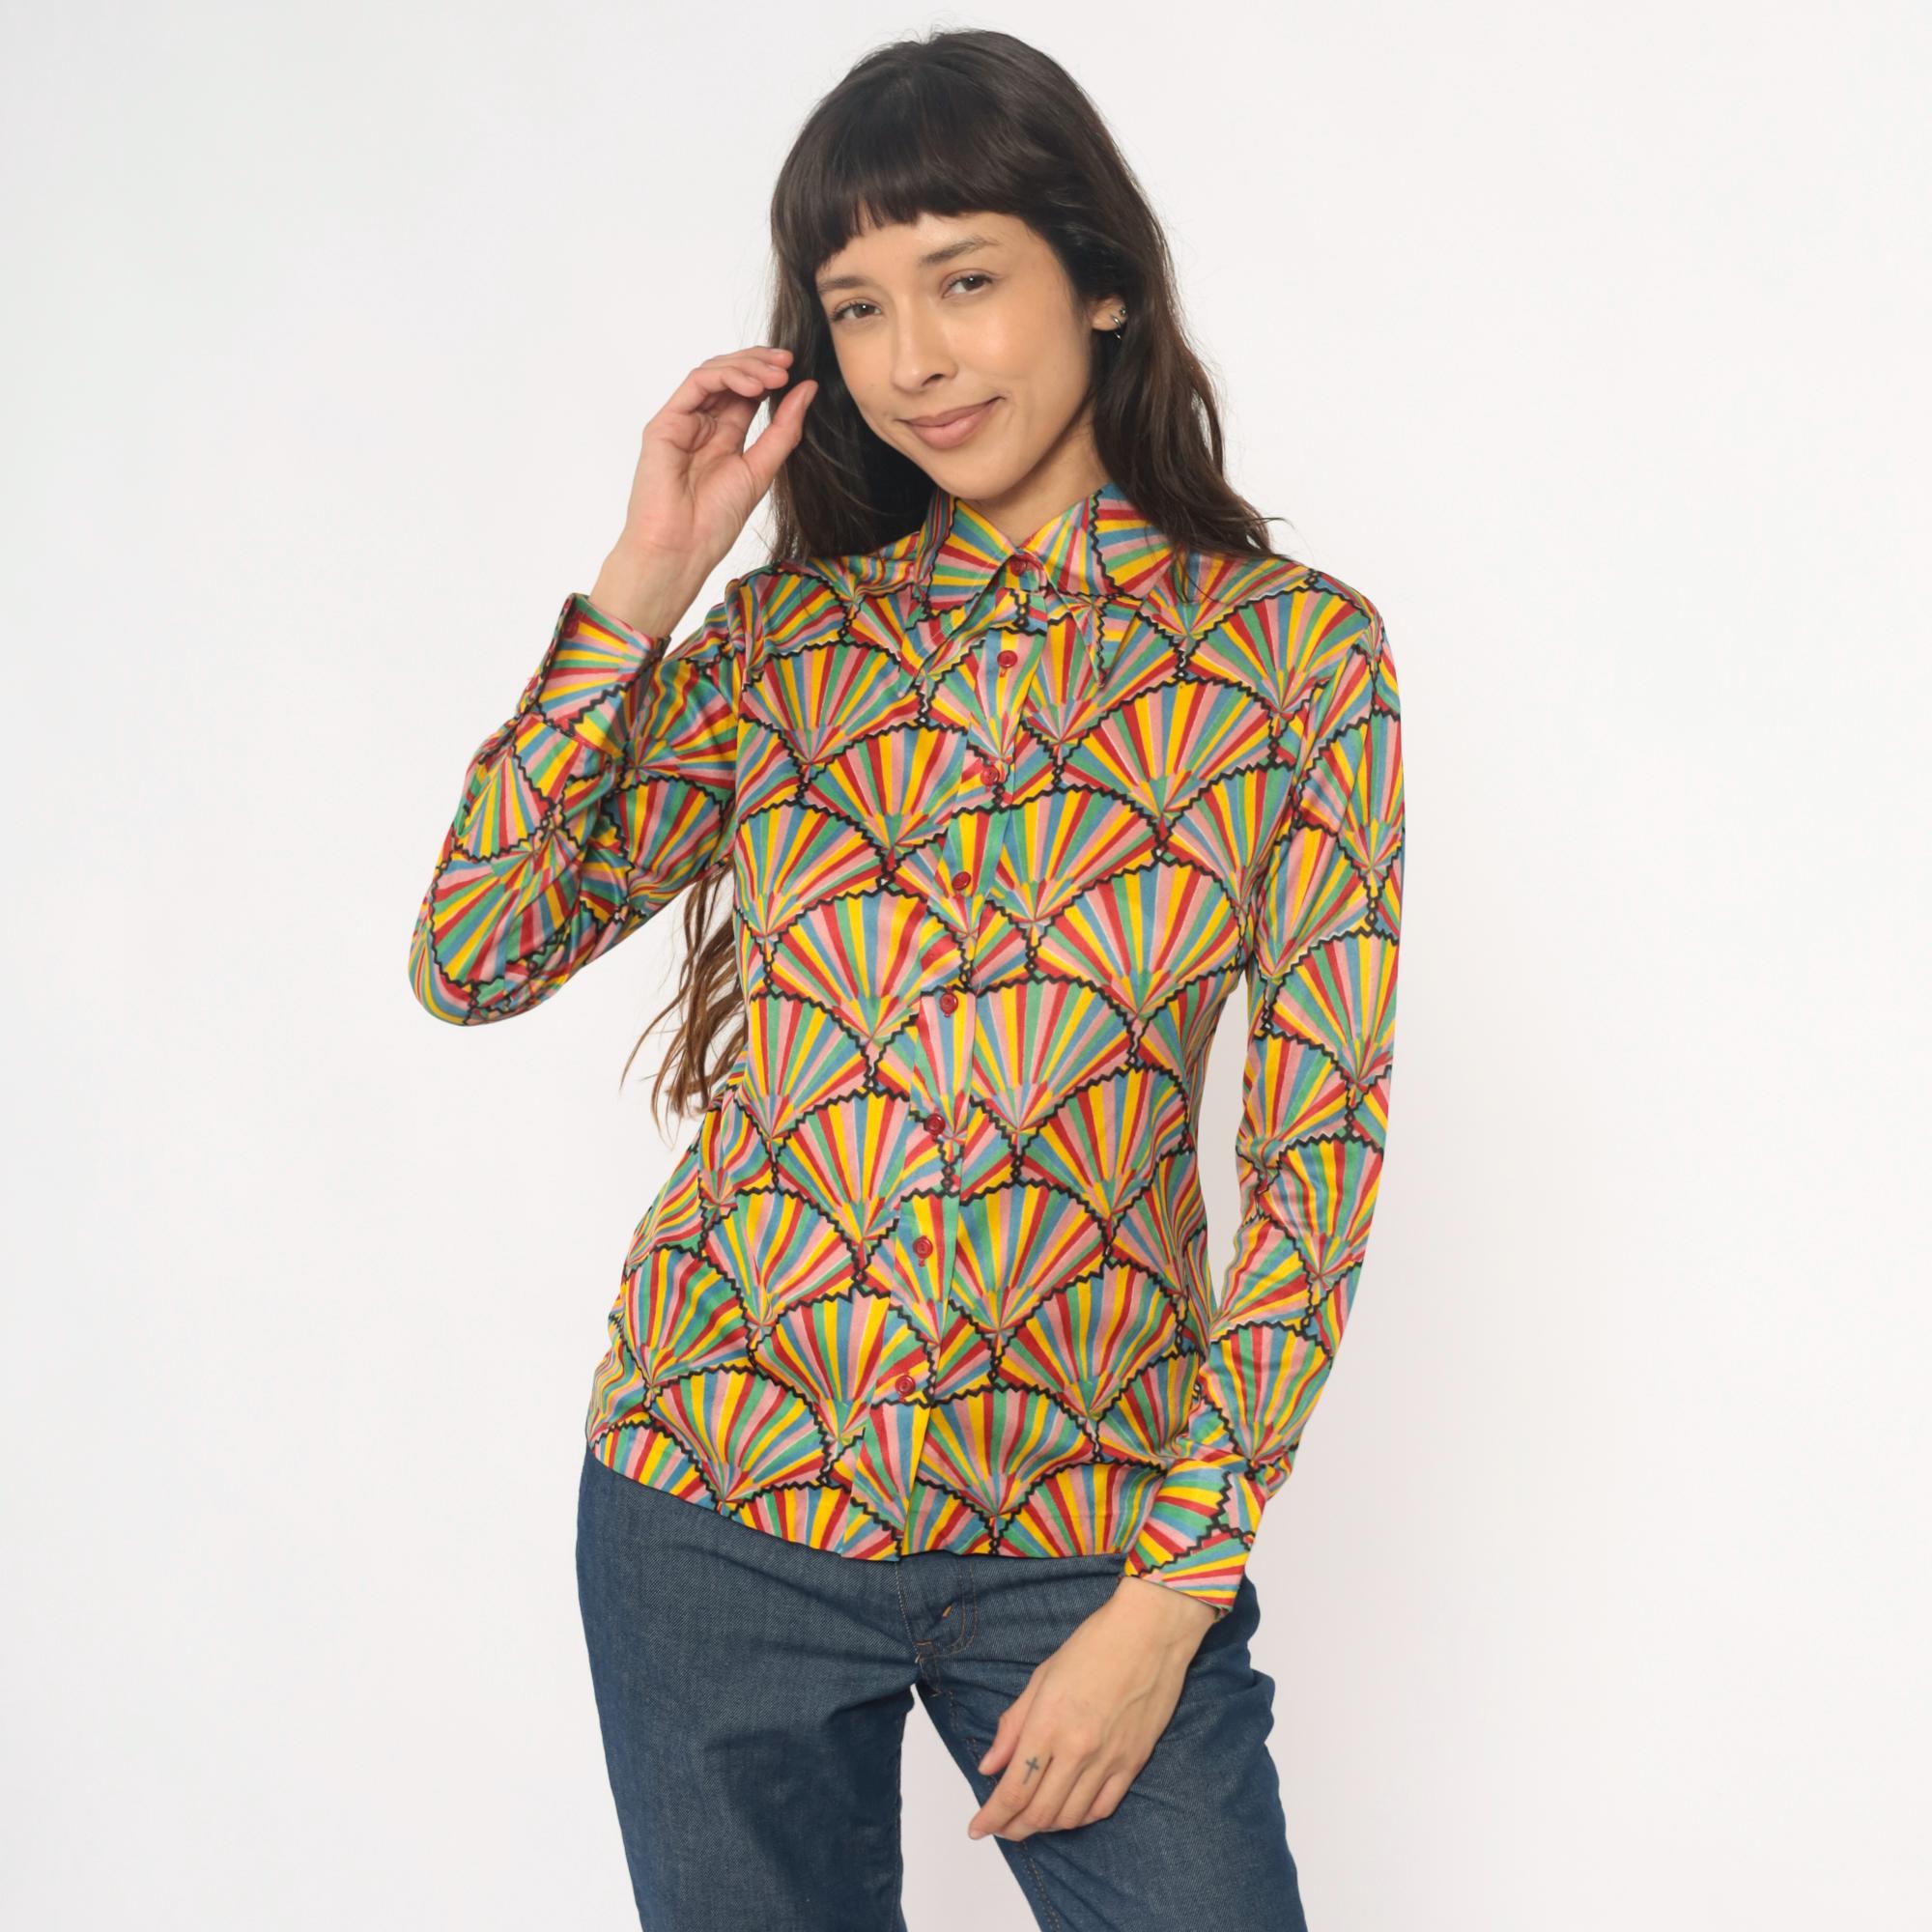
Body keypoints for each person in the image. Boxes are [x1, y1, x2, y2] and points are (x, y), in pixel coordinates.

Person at [407, 27, 1404, 1932]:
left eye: (963, 280)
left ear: (1099, 282)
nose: (913, 358)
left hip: (1088, 1528)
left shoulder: (1292, 662)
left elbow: (1313, 1156)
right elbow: (473, 952)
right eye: (857, 306)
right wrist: (646, 577)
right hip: (713, 1500)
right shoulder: (788, 646)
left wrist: (1171, 1594)